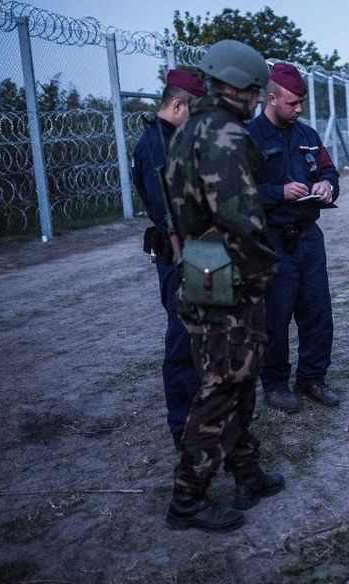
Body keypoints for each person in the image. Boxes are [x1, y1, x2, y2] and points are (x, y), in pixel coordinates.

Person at [163, 40, 284, 531]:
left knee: (236, 378)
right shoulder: (224, 136)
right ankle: (187, 501)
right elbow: (242, 221)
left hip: (201, 266)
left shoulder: (188, 129)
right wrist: (263, 275)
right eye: (255, 92)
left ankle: (247, 472)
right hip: (230, 276)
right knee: (221, 385)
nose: (257, 101)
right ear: (234, 87)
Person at [247, 62, 340, 414]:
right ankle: (274, 384)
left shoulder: (308, 136)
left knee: (318, 311)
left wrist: (326, 185)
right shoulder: (249, 138)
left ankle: (313, 378)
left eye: (301, 102)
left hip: (308, 237)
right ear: (271, 99)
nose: (299, 109)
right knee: (275, 315)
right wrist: (278, 192)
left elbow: (330, 170)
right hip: (270, 239)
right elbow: (237, 193)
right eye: (292, 103)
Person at [132, 69, 205, 453]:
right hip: (180, 257)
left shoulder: (174, 139)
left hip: (198, 253)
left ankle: (203, 418)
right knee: (182, 341)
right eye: (194, 112)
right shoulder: (156, 147)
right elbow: (170, 215)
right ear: (178, 105)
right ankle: (183, 428)